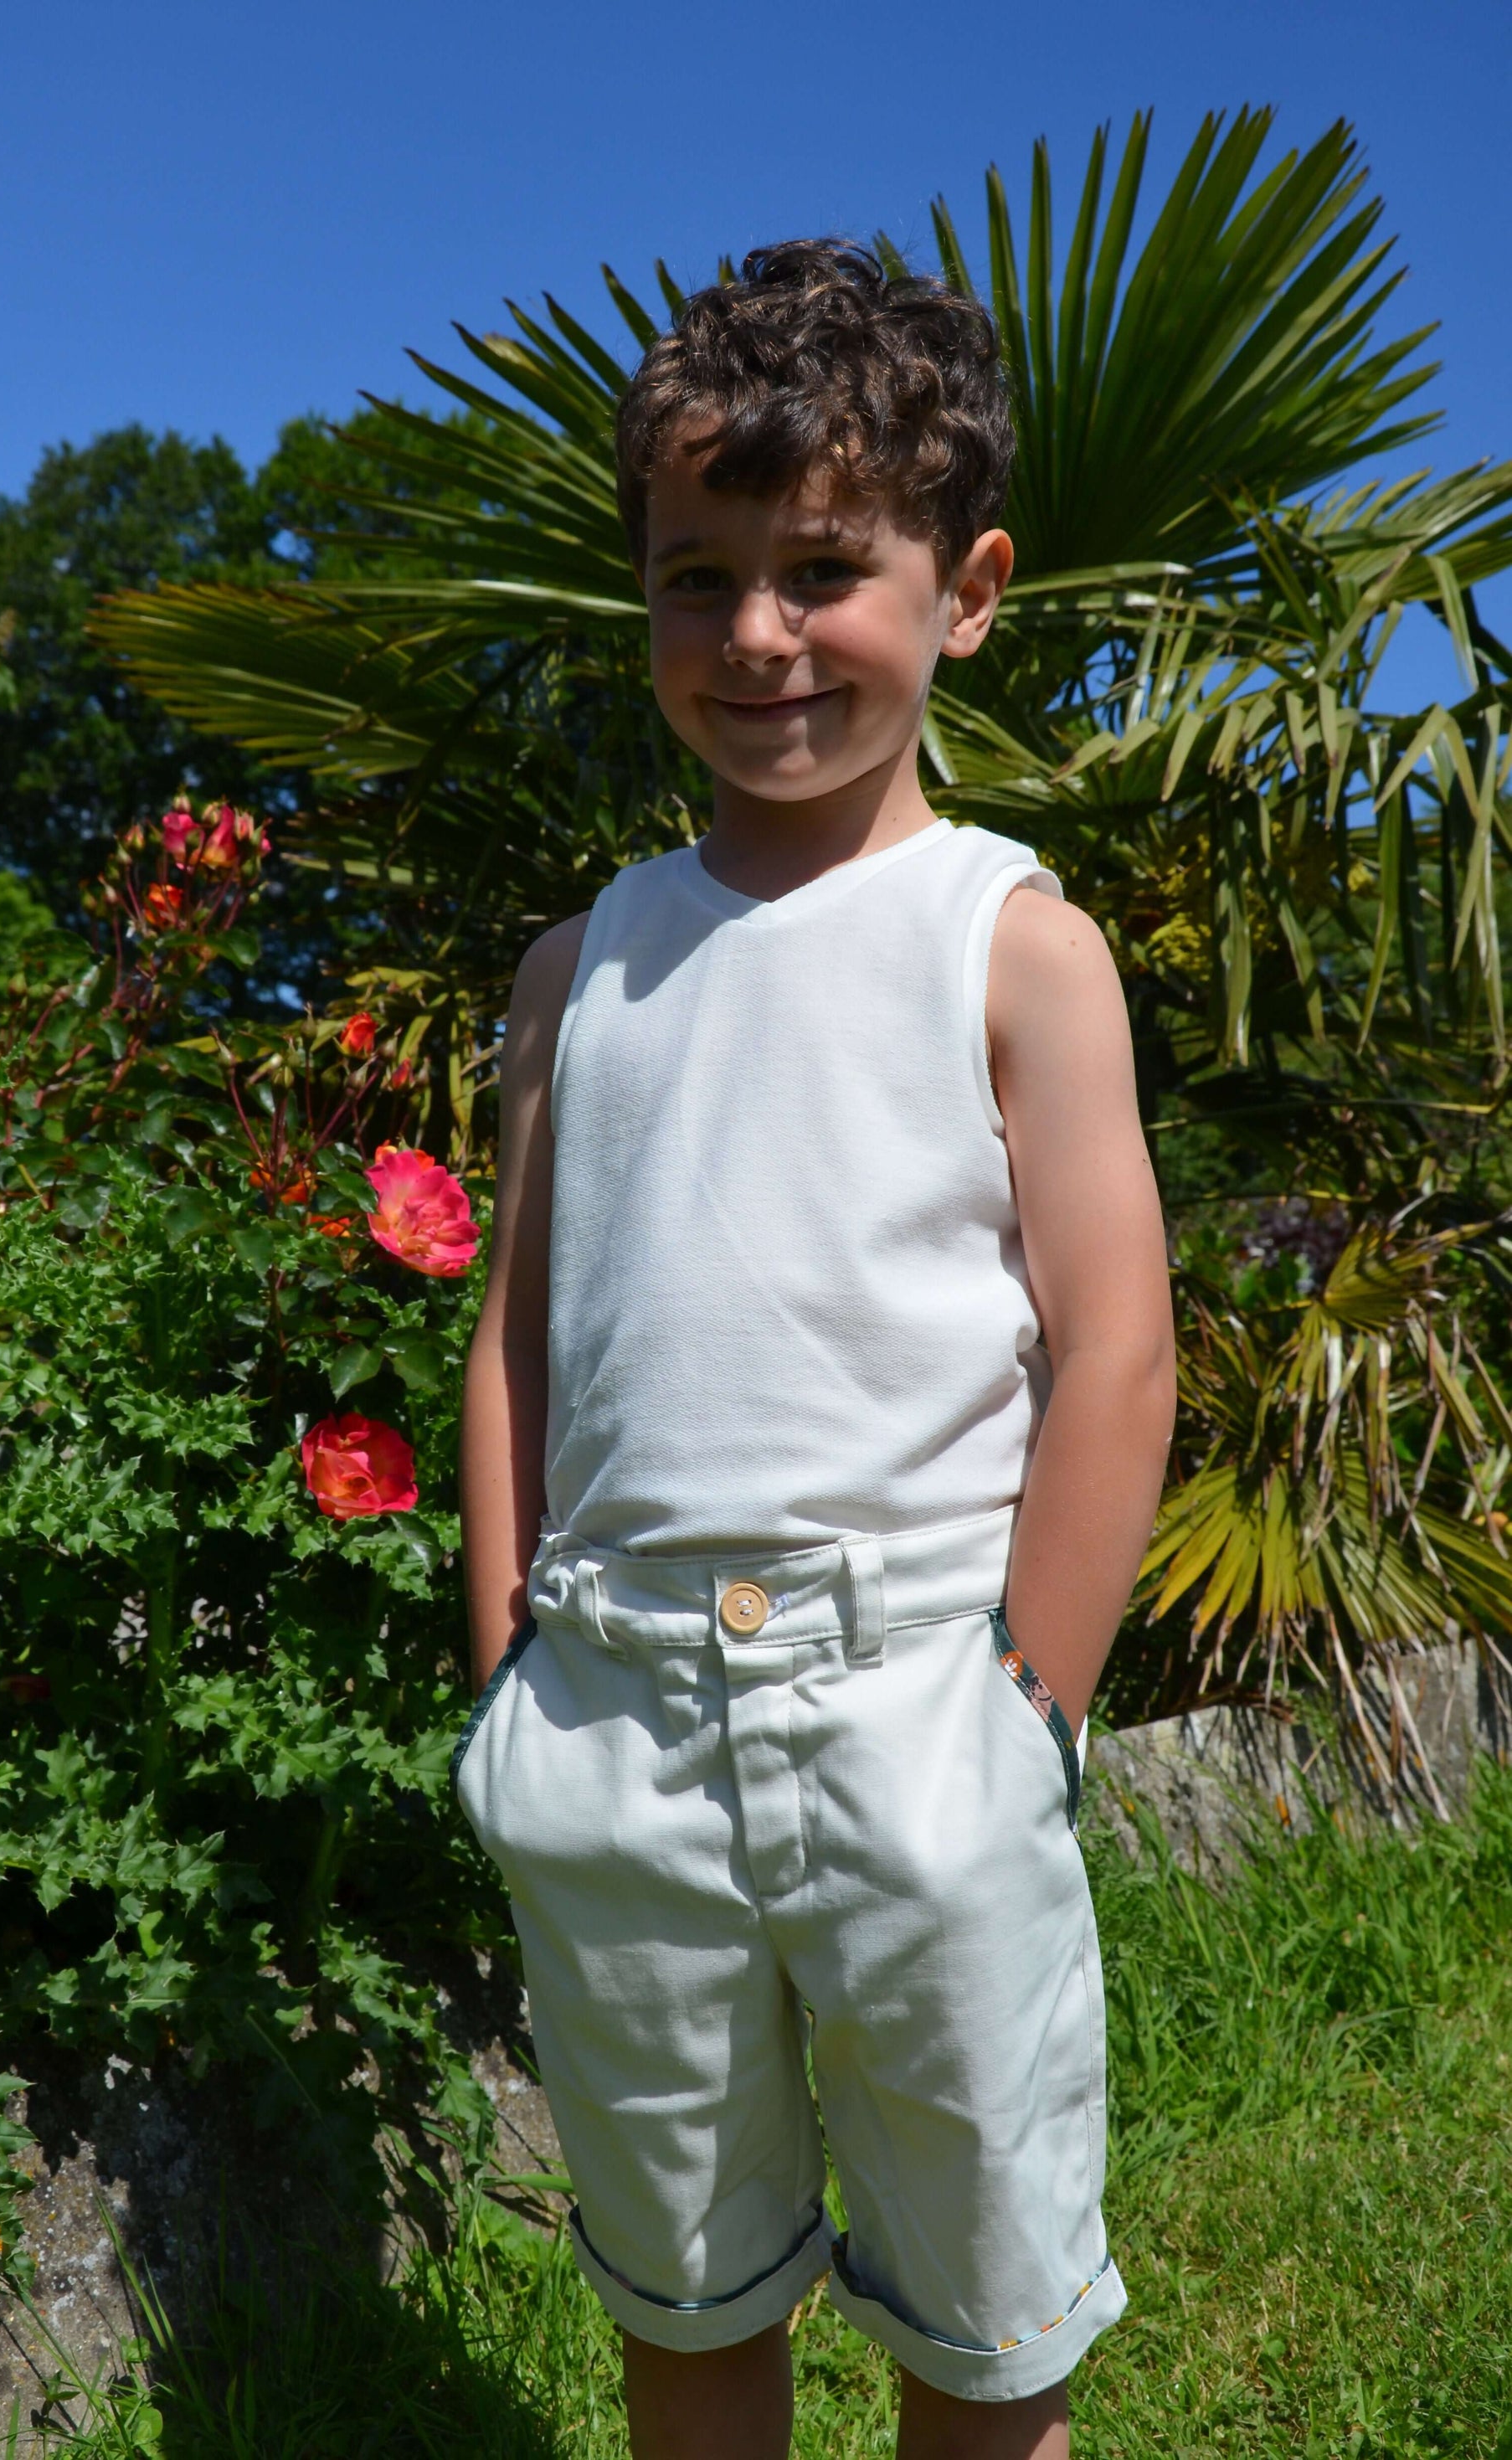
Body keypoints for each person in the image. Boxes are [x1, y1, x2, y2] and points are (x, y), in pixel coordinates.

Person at [458, 239, 1175, 2460]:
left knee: (982, 2330)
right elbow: (512, 1334)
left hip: (912, 1718)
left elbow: (1117, 1341)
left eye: (821, 569)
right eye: (697, 577)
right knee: (685, 2300)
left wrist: (1018, 1719)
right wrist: (505, 1676)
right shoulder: (587, 967)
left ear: (962, 589)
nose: (756, 637)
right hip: (613, 1730)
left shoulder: (1013, 943)